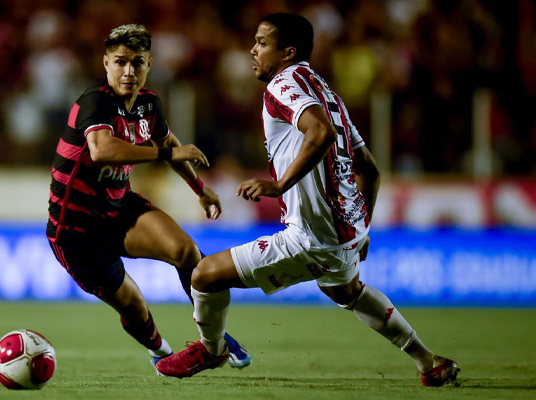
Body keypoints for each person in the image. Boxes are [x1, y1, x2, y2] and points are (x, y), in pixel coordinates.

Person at [156, 13, 460, 387]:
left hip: (310, 236)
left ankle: (212, 348)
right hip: (341, 232)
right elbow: (370, 169)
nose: (253, 50)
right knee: (345, 290)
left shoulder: (283, 85)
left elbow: (320, 132)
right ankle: (428, 362)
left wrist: (279, 185)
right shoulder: (327, 92)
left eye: (262, 43)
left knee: (203, 277)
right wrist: (360, 228)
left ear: (288, 53)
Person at [46, 24, 251, 373]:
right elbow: (101, 149)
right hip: (77, 231)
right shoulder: (95, 102)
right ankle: (160, 350)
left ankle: (213, 341)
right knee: (133, 306)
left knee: (186, 252)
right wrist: (166, 155)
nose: (129, 71)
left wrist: (200, 190)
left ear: (149, 64)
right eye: (121, 62)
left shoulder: (148, 104)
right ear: (106, 63)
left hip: (120, 208)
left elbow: (170, 144)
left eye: (137, 63)